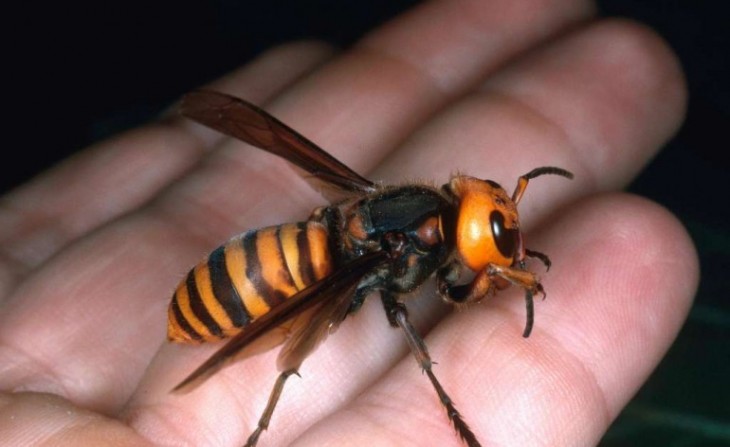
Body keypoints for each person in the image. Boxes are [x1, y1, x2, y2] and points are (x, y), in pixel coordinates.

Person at [0, 0, 697, 445]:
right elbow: (448, 294)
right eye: (497, 236)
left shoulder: (412, 215)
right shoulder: (409, 245)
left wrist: (503, 268)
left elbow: (460, 281)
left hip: (296, 244)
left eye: (498, 225)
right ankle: (266, 421)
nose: (497, 240)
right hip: (258, 282)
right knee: (299, 338)